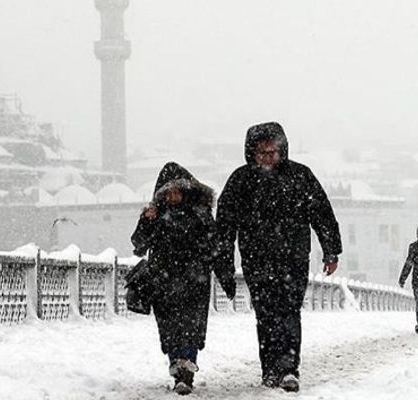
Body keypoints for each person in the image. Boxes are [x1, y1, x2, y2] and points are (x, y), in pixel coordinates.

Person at [215, 122, 342, 392]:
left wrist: (331, 250)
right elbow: (224, 226)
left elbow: (322, 214)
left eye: (273, 152)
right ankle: (270, 368)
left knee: (288, 311)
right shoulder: (241, 181)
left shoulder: (300, 176)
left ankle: (288, 368)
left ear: (282, 151)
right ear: (252, 153)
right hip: (256, 259)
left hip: (293, 258)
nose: (269, 158)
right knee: (266, 314)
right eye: (263, 153)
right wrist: (223, 263)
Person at [131, 162, 236, 396]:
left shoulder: (201, 215)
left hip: (194, 282)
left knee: (190, 327)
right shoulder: (156, 216)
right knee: (169, 329)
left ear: (187, 190)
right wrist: (147, 220)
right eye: (168, 192)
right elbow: (139, 245)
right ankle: (177, 367)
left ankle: (185, 372)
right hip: (164, 282)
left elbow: (216, 248)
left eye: (177, 190)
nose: (173, 196)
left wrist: (226, 277)